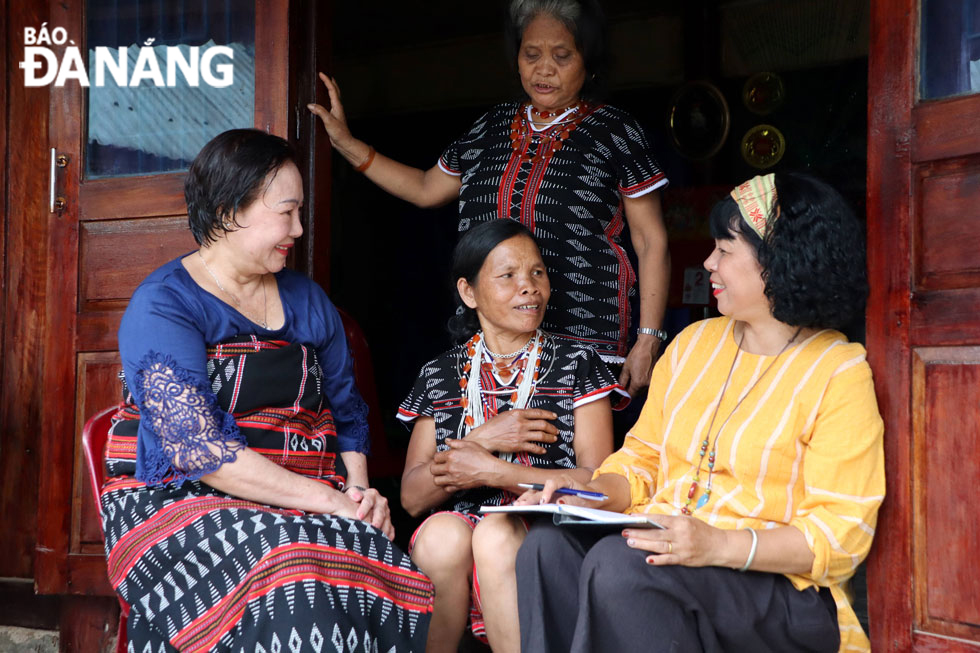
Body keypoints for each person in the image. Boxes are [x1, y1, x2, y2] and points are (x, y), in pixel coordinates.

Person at [514, 172, 885, 652]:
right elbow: (642, 459)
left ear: (780, 260)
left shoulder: (838, 370)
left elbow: (841, 535)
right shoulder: (693, 345)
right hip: (671, 550)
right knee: (546, 547)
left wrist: (719, 545)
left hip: (780, 590)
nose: (709, 262)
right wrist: (589, 494)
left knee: (625, 567)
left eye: (726, 251)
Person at [99, 129, 433, 651]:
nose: (299, 229)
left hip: (305, 494)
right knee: (291, 568)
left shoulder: (308, 299)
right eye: (287, 211)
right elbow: (198, 449)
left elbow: (347, 410)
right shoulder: (164, 304)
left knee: (380, 563)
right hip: (183, 502)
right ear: (232, 210)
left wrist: (361, 495)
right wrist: (332, 502)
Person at [308, 0, 670, 397]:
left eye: (562, 56)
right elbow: (426, 188)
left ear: (590, 62)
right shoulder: (490, 127)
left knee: (576, 456)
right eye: (531, 54)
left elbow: (651, 241)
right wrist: (347, 144)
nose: (544, 68)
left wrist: (647, 338)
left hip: (583, 341)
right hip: (492, 340)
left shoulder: (615, 132)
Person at [396, 220, 625, 653]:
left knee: (495, 535)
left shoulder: (577, 364)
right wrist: (481, 438)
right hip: (463, 522)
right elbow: (411, 496)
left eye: (537, 273)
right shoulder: (439, 375)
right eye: (509, 276)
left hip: (548, 523)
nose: (529, 288)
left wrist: (496, 470)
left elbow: (598, 478)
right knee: (441, 537)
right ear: (468, 293)